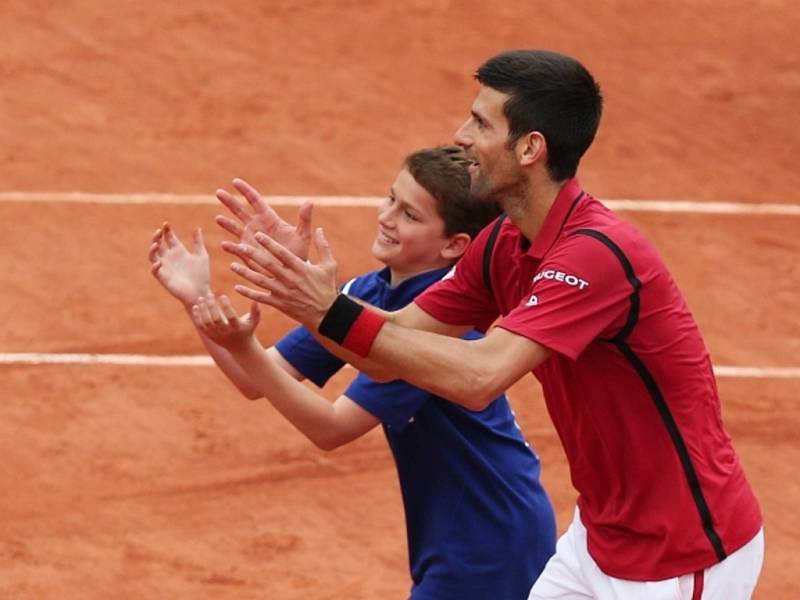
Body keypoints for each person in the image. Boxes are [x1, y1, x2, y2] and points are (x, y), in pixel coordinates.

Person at [222, 50, 764, 599]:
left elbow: (480, 376)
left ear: (530, 148)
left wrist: (331, 311)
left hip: (682, 554)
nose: (461, 136)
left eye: (481, 123)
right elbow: (387, 351)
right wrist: (306, 295)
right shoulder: (503, 244)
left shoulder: (596, 254)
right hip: (599, 539)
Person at [148, 146, 557, 599]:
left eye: (409, 214)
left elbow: (331, 427)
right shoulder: (368, 291)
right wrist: (198, 299)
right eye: (390, 199)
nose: (386, 217)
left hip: (490, 542)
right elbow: (253, 380)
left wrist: (259, 331)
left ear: (454, 245)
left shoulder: (444, 329)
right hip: (457, 534)